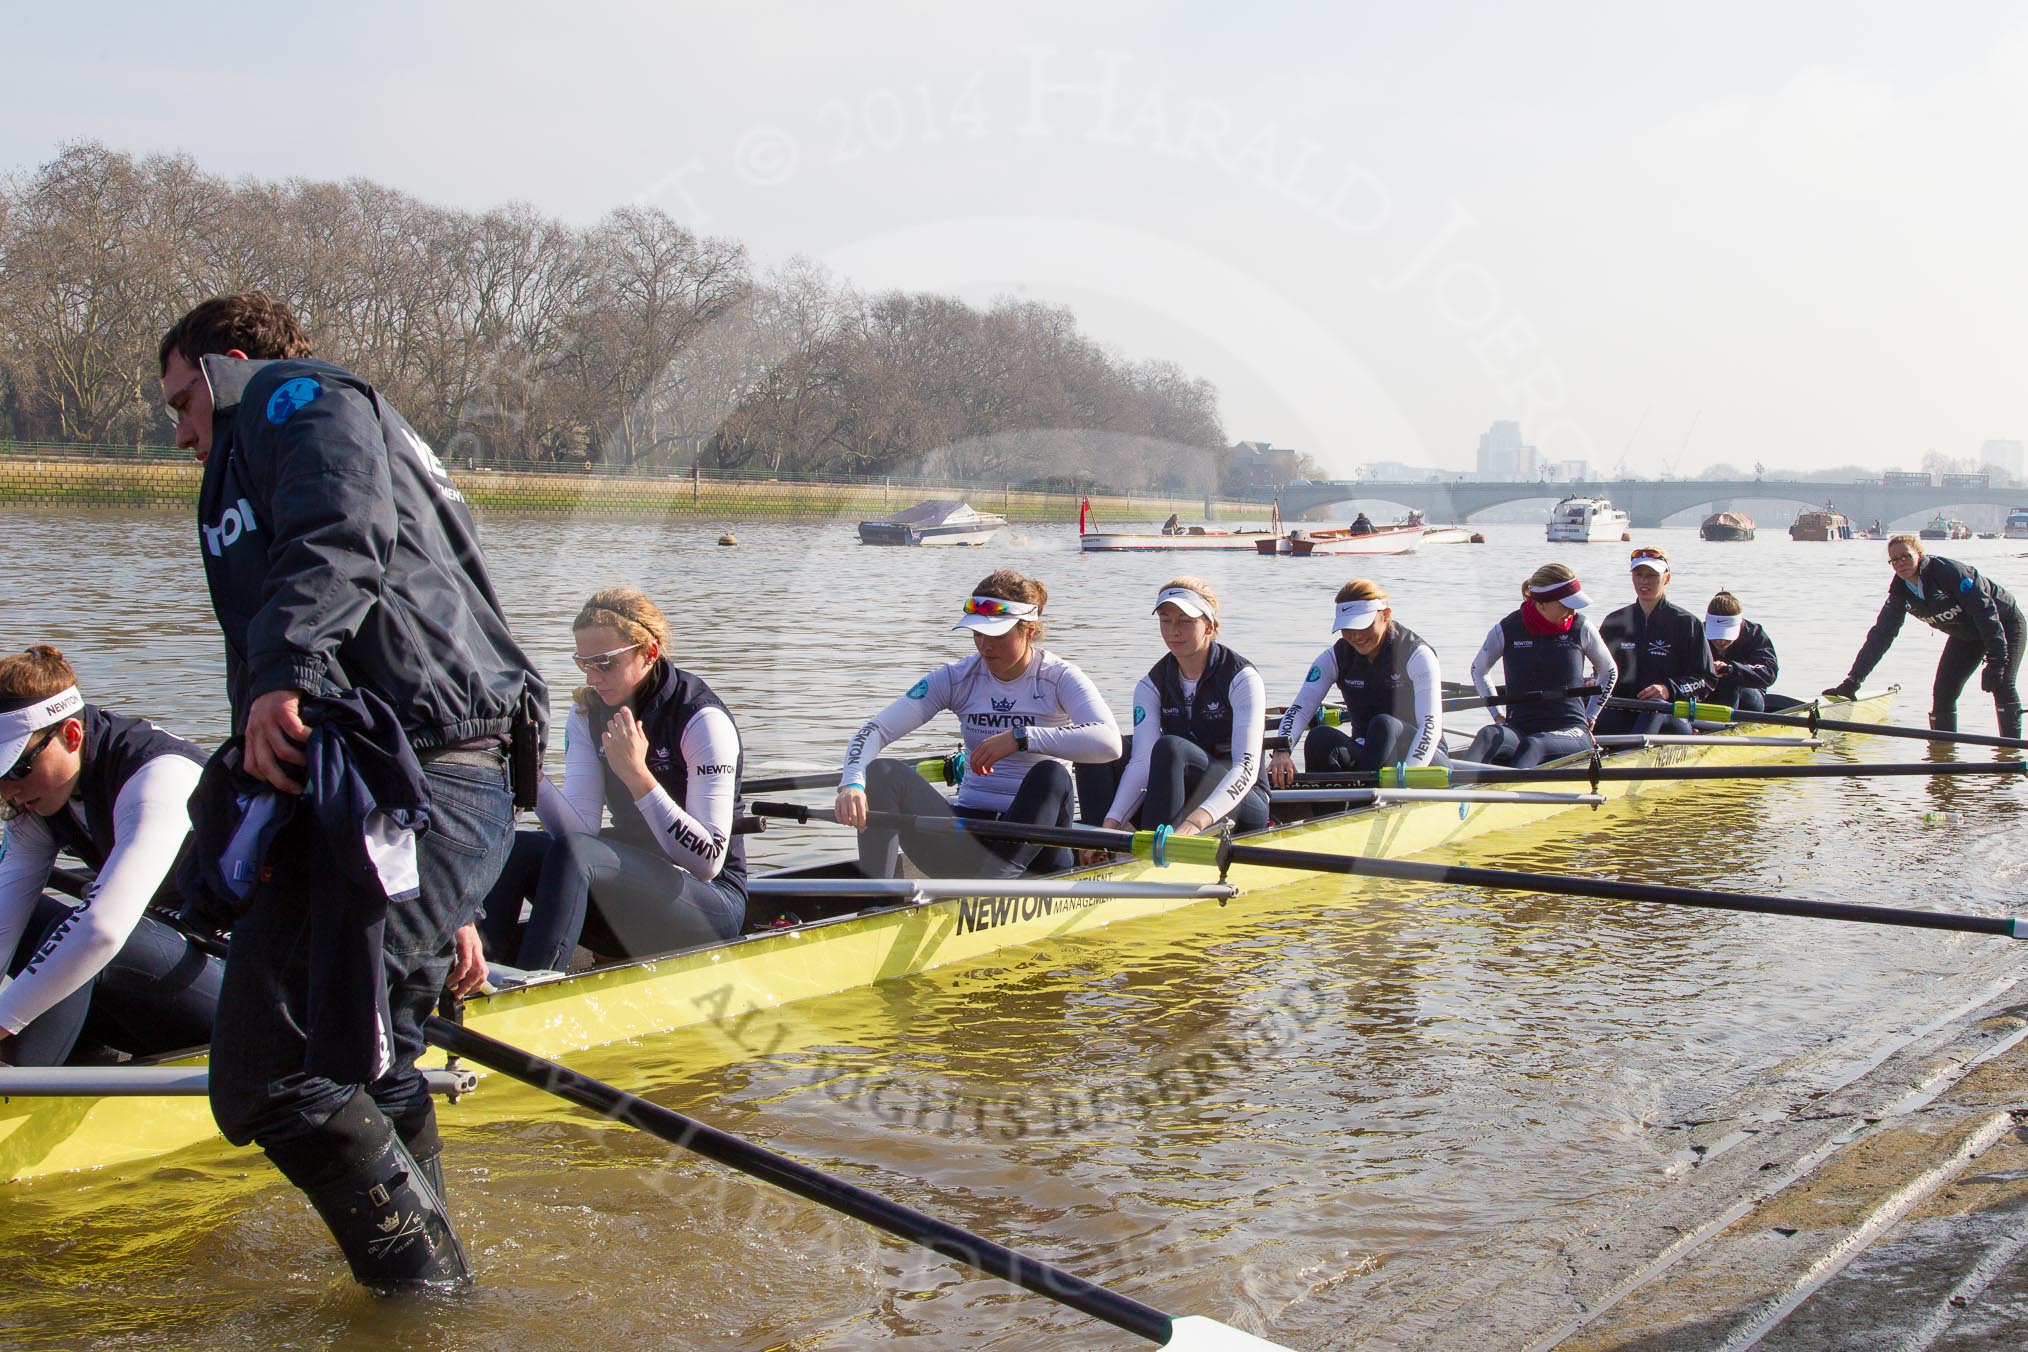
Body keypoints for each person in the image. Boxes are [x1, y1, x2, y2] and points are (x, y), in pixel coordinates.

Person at [160, 292, 546, 1290]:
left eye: (179, 403)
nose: (179, 432)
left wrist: (283, 667)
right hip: (422, 792)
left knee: (272, 1074)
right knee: (378, 1065)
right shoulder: (314, 424)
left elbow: (342, 527)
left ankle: (425, 1296)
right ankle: (436, 1302)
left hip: (425, 782)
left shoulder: (293, 396)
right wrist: (439, 895)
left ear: (222, 366)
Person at [480, 589, 746, 972]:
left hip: (710, 905)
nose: (592, 677)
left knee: (575, 855)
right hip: (632, 897)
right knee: (518, 848)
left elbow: (706, 862)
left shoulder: (701, 719)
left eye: (604, 663)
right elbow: (580, 829)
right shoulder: (587, 714)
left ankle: (533, 987)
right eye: (583, 663)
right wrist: (530, 776)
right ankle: (478, 978)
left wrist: (638, 776)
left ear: (649, 653)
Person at [0, 646, 222, 1067]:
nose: (7, 792)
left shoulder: (160, 776)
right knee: (44, 923)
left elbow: (102, 929)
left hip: (244, 989)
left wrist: (4, 1020)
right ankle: (61, 1060)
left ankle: (21, 1093)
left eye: (16, 769)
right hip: (160, 970)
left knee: (85, 928)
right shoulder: (40, 796)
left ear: (70, 735)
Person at [836, 569, 1121, 878]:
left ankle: (989, 887)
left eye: (997, 635)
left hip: (1038, 846)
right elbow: (874, 730)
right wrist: (852, 782)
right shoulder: (956, 677)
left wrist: (1020, 737)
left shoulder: (1058, 677)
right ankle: (879, 897)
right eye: (977, 633)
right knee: (883, 772)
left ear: (1029, 629)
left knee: (1051, 774)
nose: (984, 645)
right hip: (969, 833)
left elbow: (1108, 743)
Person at [1077, 578, 1268, 837]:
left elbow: (1244, 767)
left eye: (1185, 621)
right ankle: (1097, 844)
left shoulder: (1241, 679)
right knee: (1097, 747)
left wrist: (1197, 821)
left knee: (1170, 747)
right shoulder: (1150, 685)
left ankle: (1153, 851)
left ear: (1209, 627)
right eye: (1165, 620)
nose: (1173, 630)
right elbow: (1142, 762)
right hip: (1178, 793)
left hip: (1242, 799)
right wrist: (1111, 822)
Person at [1825, 535, 2024, 735]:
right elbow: (1880, 636)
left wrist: (1997, 661)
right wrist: (1854, 680)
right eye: (1894, 560)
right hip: (1966, 635)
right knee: (1943, 693)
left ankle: (2012, 757)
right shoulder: (1899, 594)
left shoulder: (1950, 573)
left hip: (2004, 624)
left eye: (1905, 556)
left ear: (1919, 555)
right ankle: (1942, 757)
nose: (1900, 563)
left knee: (2003, 684)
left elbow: (1985, 614)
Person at [1268, 579, 1444, 785]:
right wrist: (1281, 749)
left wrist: (1412, 774)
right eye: (1347, 628)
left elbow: (1430, 726)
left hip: (1425, 758)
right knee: (1319, 737)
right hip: (1370, 756)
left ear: (1385, 615)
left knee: (1383, 724)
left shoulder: (1417, 654)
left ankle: (1363, 802)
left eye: (1362, 625)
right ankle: (1327, 812)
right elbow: (1300, 708)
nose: (1355, 636)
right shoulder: (1335, 657)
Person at [1461, 565, 1617, 767]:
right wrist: (1497, 715)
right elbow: (1478, 670)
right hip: (1519, 727)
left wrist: (1591, 716)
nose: (1571, 612)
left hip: (1570, 728)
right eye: (1566, 605)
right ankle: (1451, 793)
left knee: (1535, 745)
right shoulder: (1507, 629)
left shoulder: (1581, 628)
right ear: (1541, 604)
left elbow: (1609, 671)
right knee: (1488, 735)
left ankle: (1505, 795)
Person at [1593, 545, 1715, 738]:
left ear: (1667, 578)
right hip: (1624, 708)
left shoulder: (1687, 623)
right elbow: (1601, 672)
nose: (1644, 581)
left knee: (1655, 709)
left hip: (1669, 713)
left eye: (1652, 575)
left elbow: (1706, 679)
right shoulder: (1614, 622)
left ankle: (1627, 761)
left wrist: (1668, 689)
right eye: (1639, 575)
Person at [1704, 591, 1782, 712]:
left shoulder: (1755, 634)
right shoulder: (1697, 633)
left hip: (1749, 698)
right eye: (1716, 634)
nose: (1721, 641)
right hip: (1707, 691)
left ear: (1739, 625)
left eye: (1727, 636)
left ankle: (1723, 726)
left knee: (1729, 680)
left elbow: (1769, 673)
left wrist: (1732, 669)